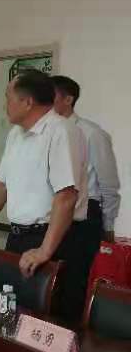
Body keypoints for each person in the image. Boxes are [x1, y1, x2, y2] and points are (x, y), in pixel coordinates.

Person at [0, 70, 89, 325]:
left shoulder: (62, 131)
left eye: (8, 98)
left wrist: (45, 251)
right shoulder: (16, 135)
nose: (4, 105)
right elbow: (0, 184)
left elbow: (66, 196)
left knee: (46, 321)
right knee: (11, 311)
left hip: (53, 240)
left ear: (28, 102)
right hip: (18, 236)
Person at [52, 75, 121, 244]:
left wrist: (108, 226)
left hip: (85, 214)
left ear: (68, 100)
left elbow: (108, 184)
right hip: (53, 209)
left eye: (51, 95)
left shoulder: (92, 133)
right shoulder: (47, 132)